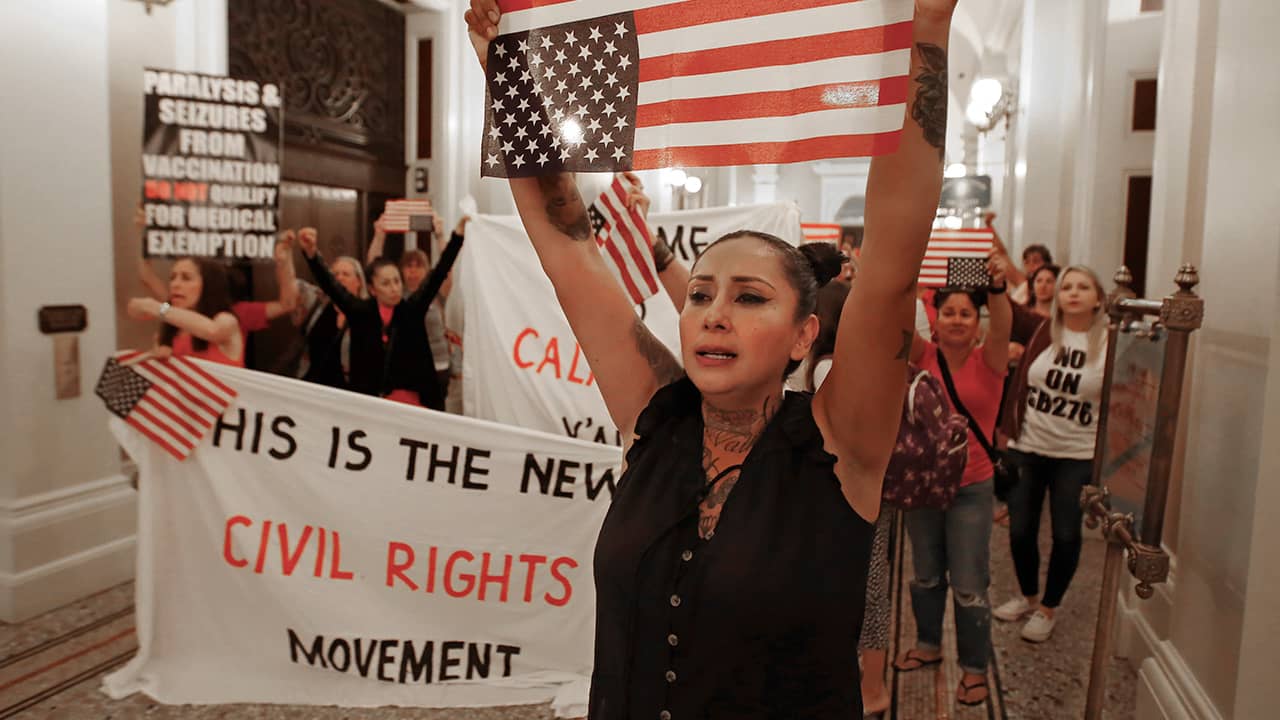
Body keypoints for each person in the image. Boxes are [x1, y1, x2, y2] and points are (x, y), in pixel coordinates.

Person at [464, 1, 955, 716]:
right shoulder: (655, 416)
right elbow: (568, 242)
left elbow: (892, 264)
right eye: (699, 295)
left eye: (751, 298)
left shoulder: (839, 443)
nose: (714, 314)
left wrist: (927, 36)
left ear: (802, 335)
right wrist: (508, 74)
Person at [895, 256, 1013, 707]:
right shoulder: (922, 355)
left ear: (977, 322)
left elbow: (1002, 323)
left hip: (971, 488)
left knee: (968, 582)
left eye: (967, 313)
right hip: (923, 484)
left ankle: (974, 669)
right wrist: (896, 274)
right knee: (925, 575)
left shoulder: (991, 361)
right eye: (949, 312)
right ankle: (928, 646)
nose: (958, 320)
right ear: (936, 320)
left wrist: (997, 290)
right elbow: (901, 319)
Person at [993, 266, 1109, 642]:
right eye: (1067, 287)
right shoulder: (1043, 330)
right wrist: (994, 283)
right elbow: (1007, 311)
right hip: (1029, 447)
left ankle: (1048, 608)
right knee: (1021, 530)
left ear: (1098, 298)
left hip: (1077, 454)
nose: (1073, 293)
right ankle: (1028, 596)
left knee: (1065, 533)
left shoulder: (1111, 342)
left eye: (1083, 287)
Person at [805, 278, 893, 718]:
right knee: (873, 584)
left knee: (865, 589)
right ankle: (873, 683)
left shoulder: (825, 369)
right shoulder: (856, 366)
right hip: (866, 489)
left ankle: (873, 687)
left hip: (842, 498)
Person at [298, 224, 463, 409]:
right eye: (386, 283)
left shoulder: (412, 309)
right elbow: (331, 285)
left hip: (412, 403)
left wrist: (456, 237)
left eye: (397, 281)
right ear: (372, 289)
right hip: (369, 405)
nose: (394, 288)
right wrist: (312, 254)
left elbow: (438, 273)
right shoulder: (360, 312)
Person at [127, 258, 245, 366]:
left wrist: (155, 307)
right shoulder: (168, 334)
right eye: (172, 278)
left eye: (186, 278)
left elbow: (212, 330)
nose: (175, 285)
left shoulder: (226, 320)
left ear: (209, 285)